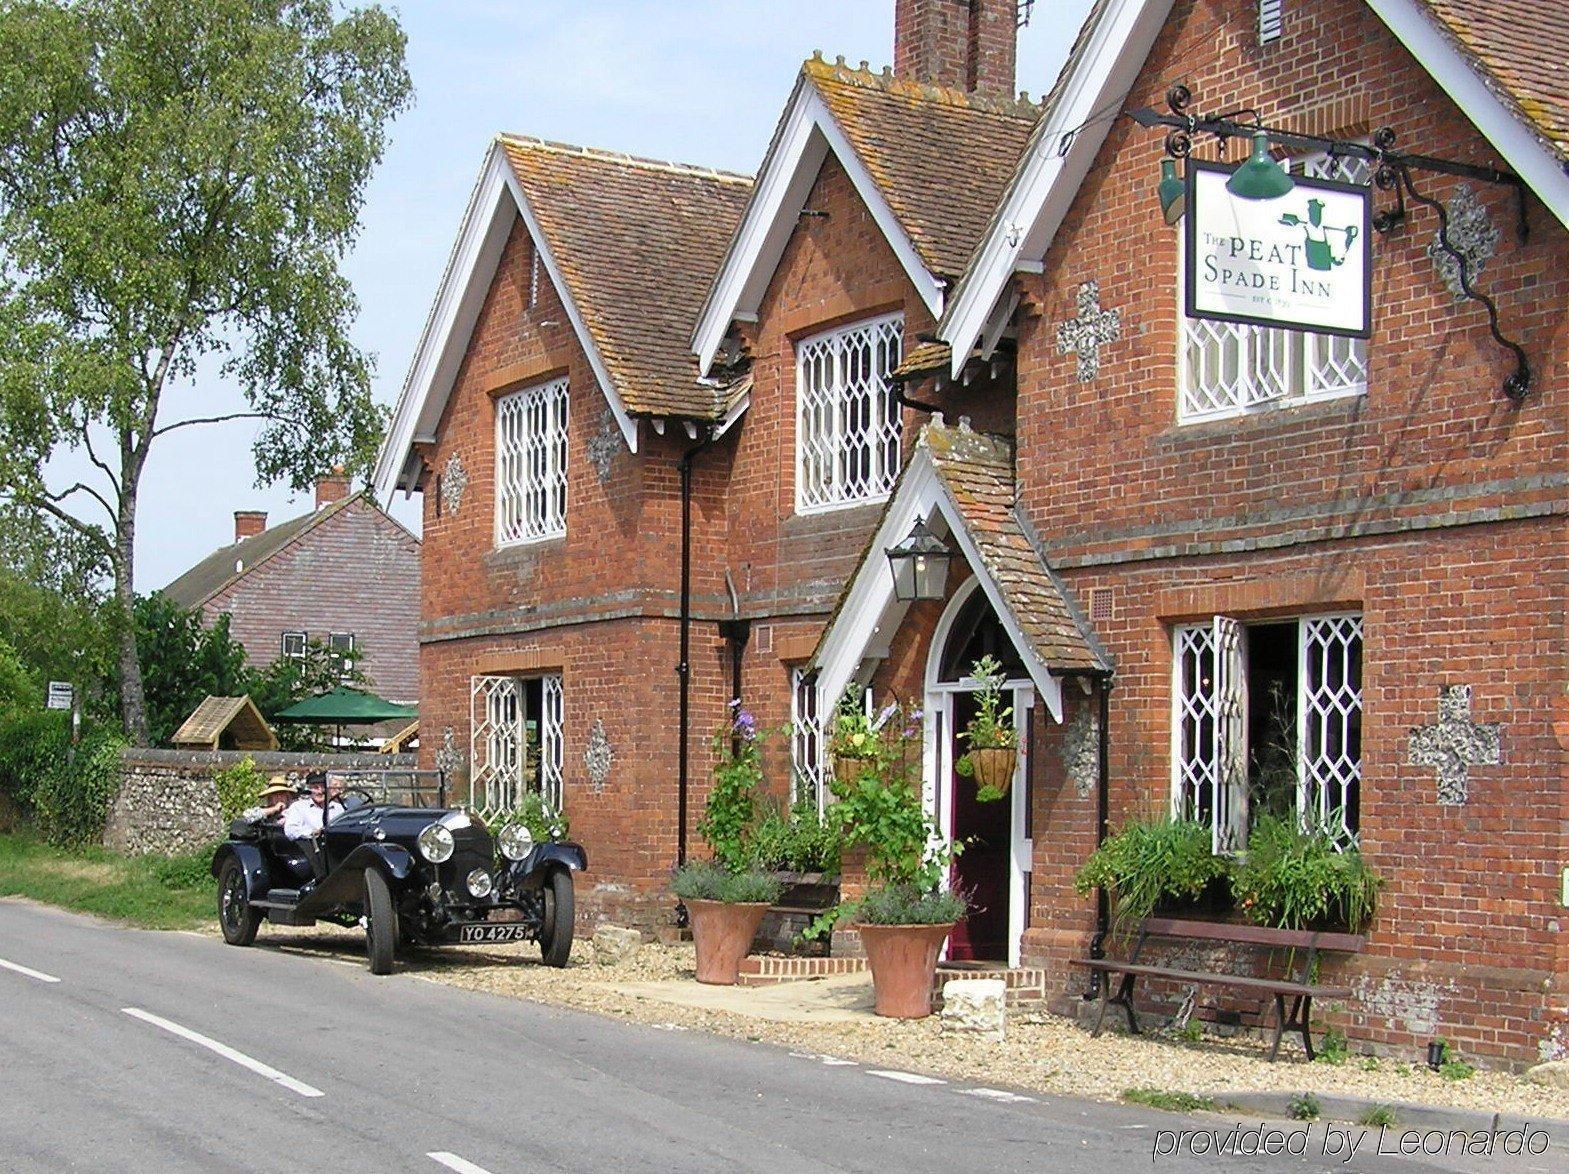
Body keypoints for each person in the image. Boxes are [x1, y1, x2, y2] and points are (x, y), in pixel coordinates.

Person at [283, 772, 344, 840]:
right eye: (316, 787)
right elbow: (290, 830)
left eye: (323, 787)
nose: (320, 791)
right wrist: (312, 833)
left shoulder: (338, 808)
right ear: (309, 789)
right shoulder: (298, 807)